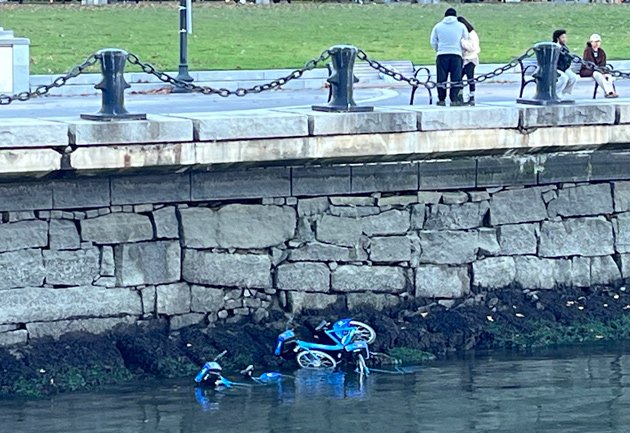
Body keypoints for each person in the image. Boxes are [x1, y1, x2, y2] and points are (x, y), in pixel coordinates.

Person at [430, 8, 469, 107]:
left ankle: (441, 99)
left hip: (442, 54)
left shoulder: (438, 26)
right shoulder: (461, 26)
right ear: (455, 16)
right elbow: (466, 39)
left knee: (441, 78)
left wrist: (438, 49)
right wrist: (462, 51)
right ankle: (454, 99)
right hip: (456, 55)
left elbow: (433, 42)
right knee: (456, 78)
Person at [579, 33, 618, 98]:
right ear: (591, 42)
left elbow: (603, 63)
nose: (597, 43)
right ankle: (609, 92)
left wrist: (604, 72)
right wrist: (600, 71)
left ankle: (610, 92)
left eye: (598, 41)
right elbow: (589, 64)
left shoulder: (601, 52)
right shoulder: (588, 51)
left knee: (608, 76)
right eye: (595, 42)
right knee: (598, 75)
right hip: (589, 70)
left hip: (600, 70)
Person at [458, 16, 480, 106]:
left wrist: (462, 41)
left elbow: (472, 47)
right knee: (459, 78)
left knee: (470, 78)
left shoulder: (471, 35)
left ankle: (471, 97)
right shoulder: (465, 34)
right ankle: (460, 96)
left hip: (470, 59)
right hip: (464, 58)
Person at [552, 29, 577, 98]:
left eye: (565, 37)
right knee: (564, 78)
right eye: (563, 37)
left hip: (563, 68)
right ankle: (556, 94)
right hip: (555, 68)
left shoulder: (565, 47)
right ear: (557, 38)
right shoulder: (553, 47)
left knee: (574, 78)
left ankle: (564, 93)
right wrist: (557, 48)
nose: (565, 39)